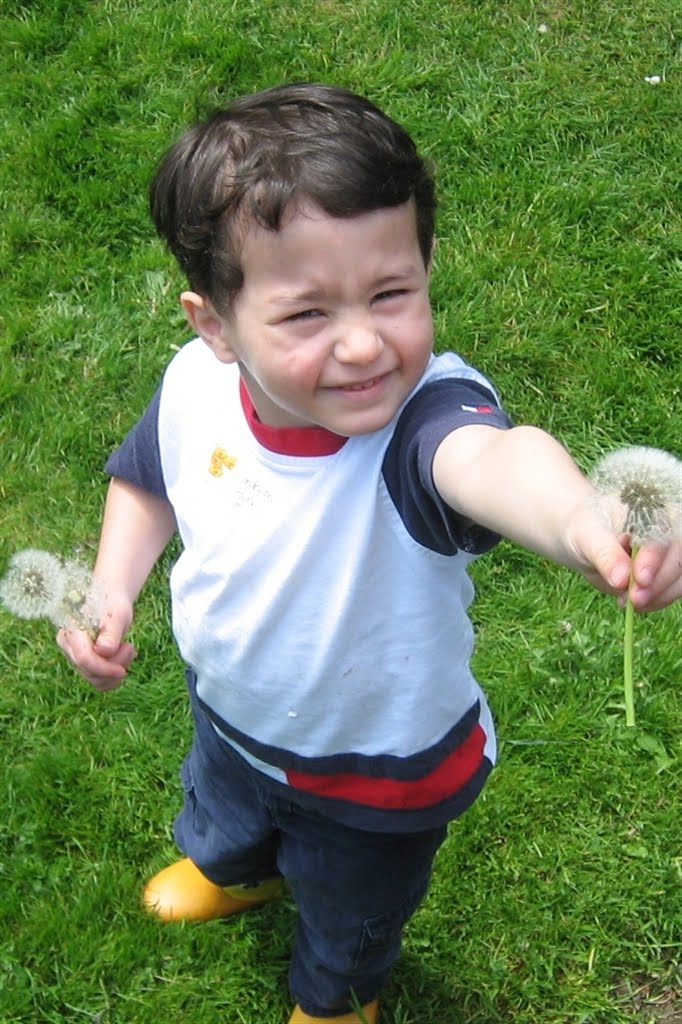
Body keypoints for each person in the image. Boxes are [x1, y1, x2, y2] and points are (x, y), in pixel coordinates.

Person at [57, 83, 681, 1024]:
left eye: (392, 293)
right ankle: (236, 874)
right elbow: (147, 479)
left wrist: (584, 520)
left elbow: (501, 462)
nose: (361, 344)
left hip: (377, 773)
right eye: (306, 314)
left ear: (426, 268)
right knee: (223, 821)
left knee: (351, 919)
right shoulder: (194, 386)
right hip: (231, 709)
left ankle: (336, 1002)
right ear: (215, 325)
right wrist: (111, 588)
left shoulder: (423, 425)